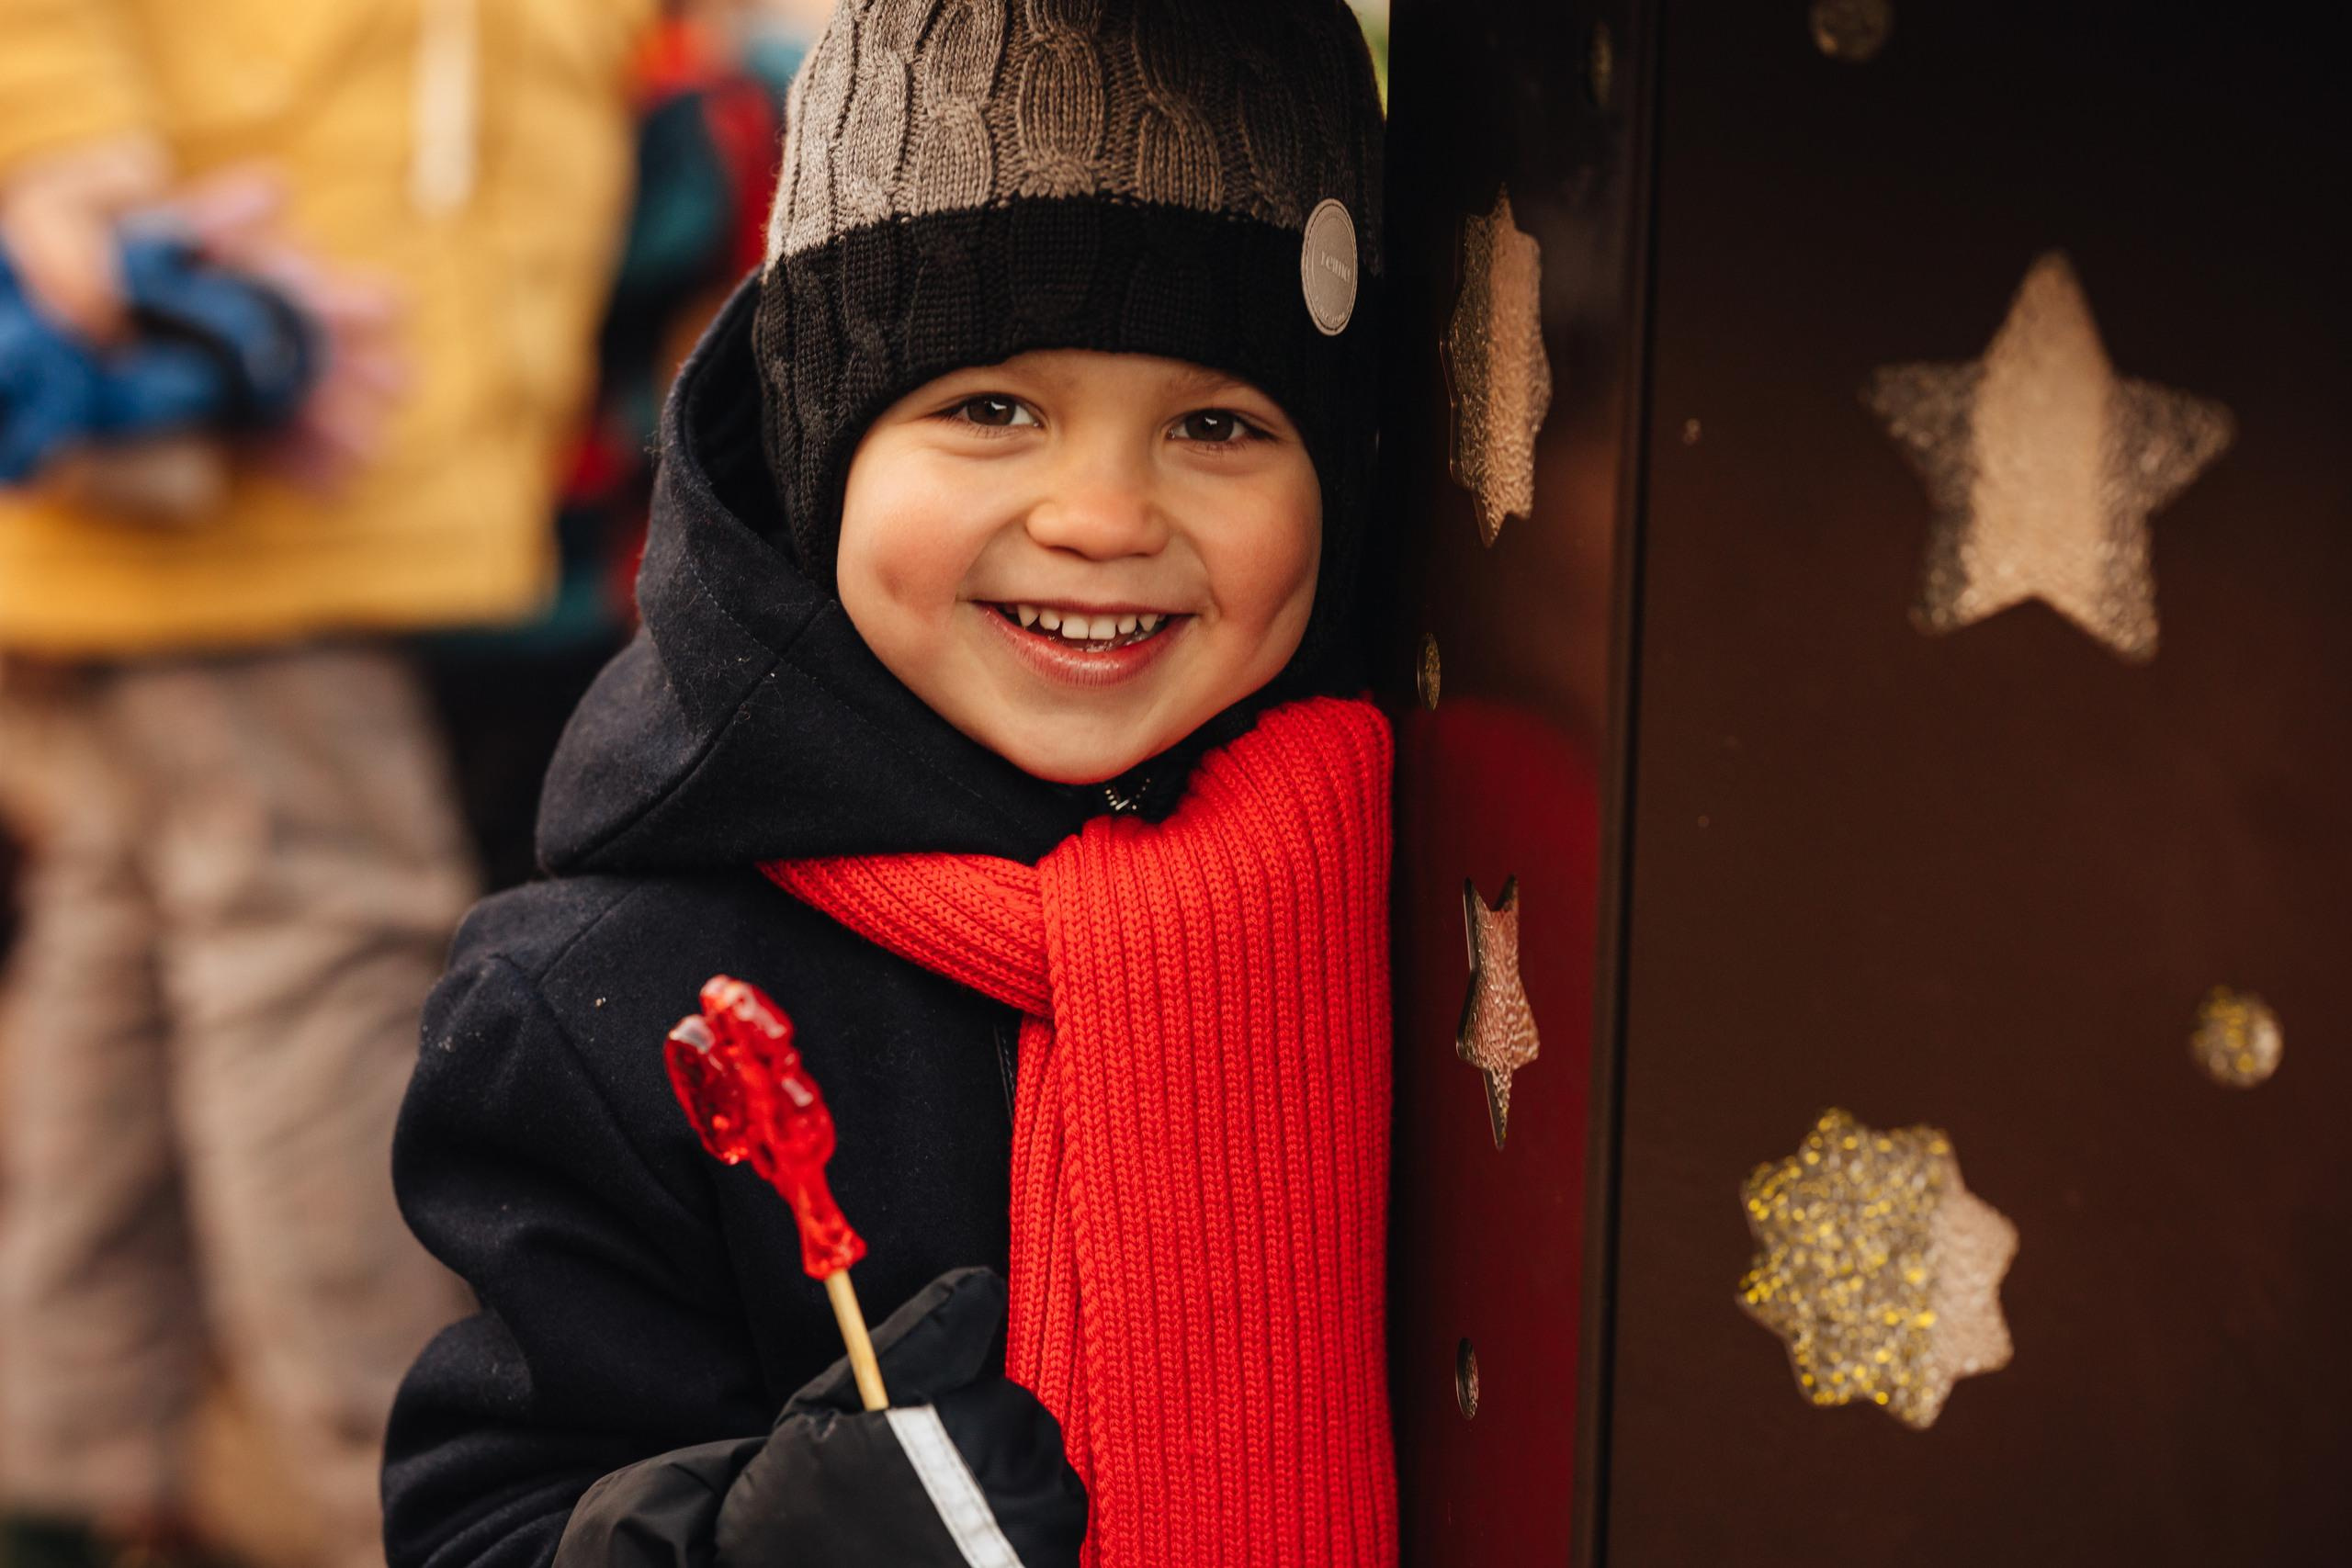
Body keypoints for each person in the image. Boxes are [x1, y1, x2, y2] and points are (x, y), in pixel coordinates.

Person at [384, 3, 1393, 1564]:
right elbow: (483, 1523)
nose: (1102, 517)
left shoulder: (1431, 903)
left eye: (1216, 425)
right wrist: (749, 1547)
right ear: (819, 453)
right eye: (992, 411)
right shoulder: (605, 1005)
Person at [0, 5, 650, 1566]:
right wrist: (67, 161)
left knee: (138, 927)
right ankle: (391, 1491)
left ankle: (66, 1458)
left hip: (284, 413)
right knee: (323, 933)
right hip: (231, 388)